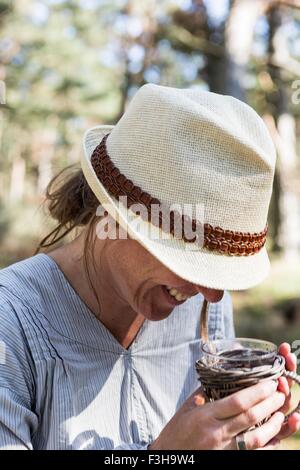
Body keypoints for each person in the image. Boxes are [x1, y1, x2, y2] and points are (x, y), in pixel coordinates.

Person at [0, 84, 299, 450]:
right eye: (191, 260)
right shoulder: (11, 323)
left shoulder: (205, 309)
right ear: (115, 212)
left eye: (219, 271)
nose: (213, 293)